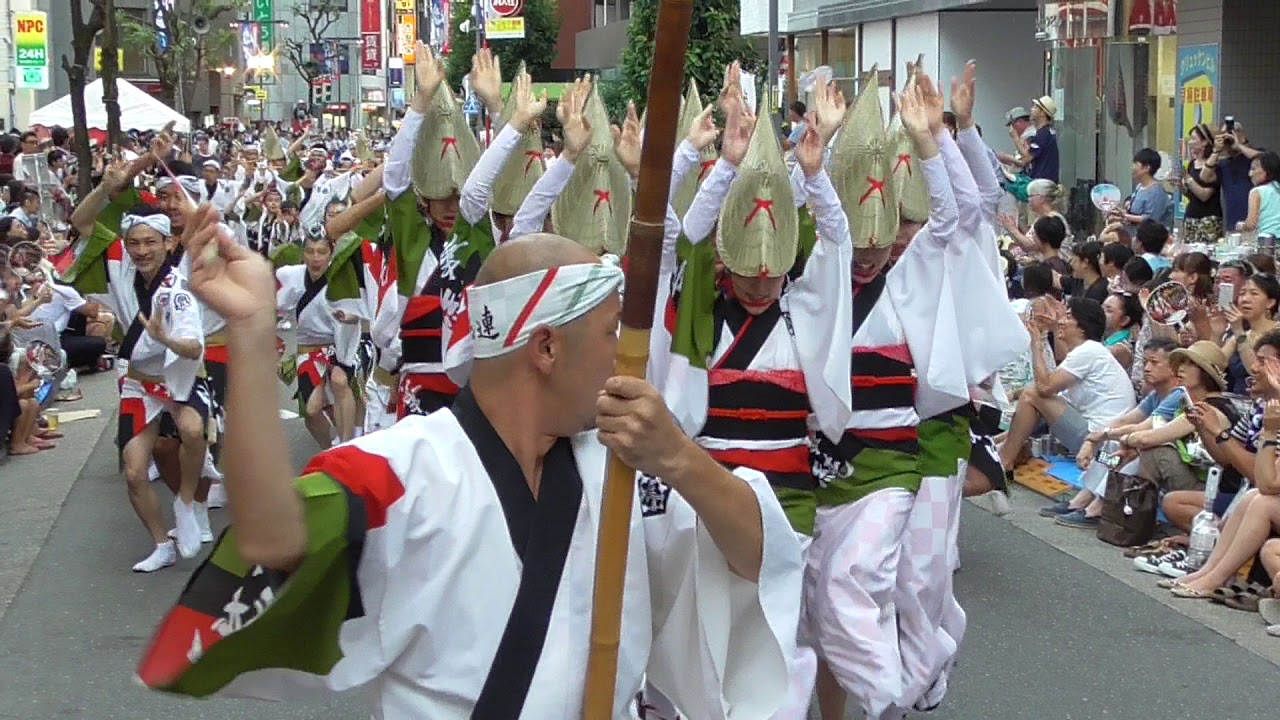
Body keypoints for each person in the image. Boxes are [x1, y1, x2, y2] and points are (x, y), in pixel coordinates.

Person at [137, 217, 803, 719]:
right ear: (545, 347)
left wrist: (680, 458)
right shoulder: (409, 468)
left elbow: (756, 555)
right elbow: (273, 540)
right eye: (610, 336)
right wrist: (253, 336)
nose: (627, 363)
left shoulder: (627, 467)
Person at [998, 297, 1137, 471]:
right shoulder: (1087, 352)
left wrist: (1036, 343)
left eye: (1068, 317)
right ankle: (1003, 451)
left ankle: (1004, 460)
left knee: (1033, 393)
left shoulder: (1089, 350)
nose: (1062, 322)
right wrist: (1001, 439)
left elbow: (1044, 387)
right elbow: (1042, 408)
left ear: (1082, 326)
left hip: (1100, 442)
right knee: (1033, 397)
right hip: (1101, 441)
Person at [1111, 148, 1173, 231]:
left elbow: (1151, 219)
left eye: (1136, 164)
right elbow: (1134, 213)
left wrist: (1125, 216)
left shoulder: (1156, 191)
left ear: (1146, 168)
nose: (1132, 167)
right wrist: (1120, 212)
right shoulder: (1139, 187)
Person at [1181, 124, 1224, 243]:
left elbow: (1204, 196)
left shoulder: (1215, 166)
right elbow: (1191, 194)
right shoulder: (1192, 164)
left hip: (1209, 219)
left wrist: (1188, 178)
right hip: (1191, 216)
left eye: (1194, 139)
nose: (1190, 142)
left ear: (1204, 142)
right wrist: (1181, 185)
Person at [1010, 95, 1059, 183]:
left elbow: (1027, 158)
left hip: (1042, 183)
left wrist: (1015, 138)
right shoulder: (1043, 133)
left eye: (1035, 107)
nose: (1032, 109)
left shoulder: (1043, 134)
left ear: (1042, 113)